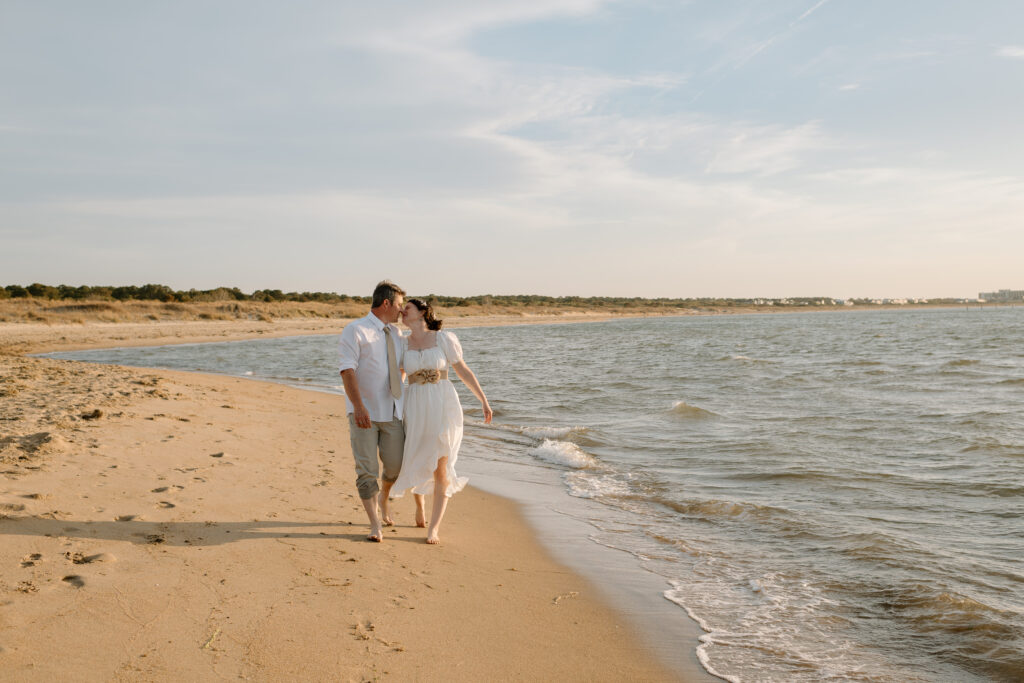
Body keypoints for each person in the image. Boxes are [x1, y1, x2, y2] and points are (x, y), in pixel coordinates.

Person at [389, 298, 492, 544]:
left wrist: (483, 401)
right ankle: (420, 505)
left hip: (443, 403)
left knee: (441, 464)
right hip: (415, 406)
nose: (403, 311)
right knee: (417, 454)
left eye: (408, 308)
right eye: (402, 309)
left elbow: (463, 371)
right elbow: (398, 380)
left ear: (422, 312)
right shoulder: (402, 344)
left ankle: (433, 529)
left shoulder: (444, 339)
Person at [338, 280, 406, 542]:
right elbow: (347, 371)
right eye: (399, 305)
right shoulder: (355, 330)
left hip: (393, 412)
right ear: (386, 303)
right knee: (366, 470)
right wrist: (358, 407)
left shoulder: (397, 335)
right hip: (363, 413)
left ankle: (385, 498)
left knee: (395, 467)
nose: (401, 311)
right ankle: (375, 523)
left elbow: (400, 366)